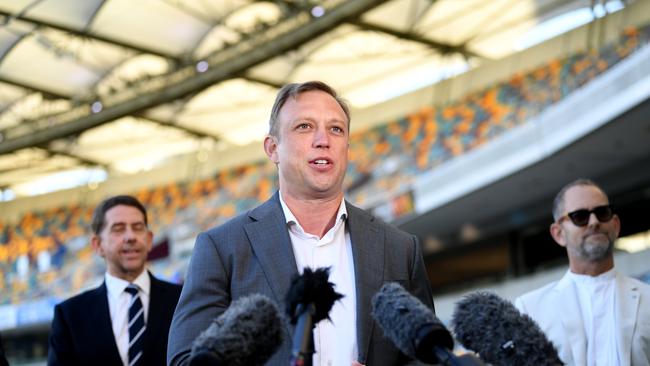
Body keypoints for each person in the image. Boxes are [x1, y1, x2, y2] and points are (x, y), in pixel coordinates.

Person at [168, 81, 434, 366]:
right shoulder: (222, 248)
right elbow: (186, 361)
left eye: (336, 129)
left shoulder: (399, 248)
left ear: (347, 147)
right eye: (304, 127)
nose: (323, 140)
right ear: (272, 148)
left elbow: (426, 358)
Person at [515, 179, 650, 365]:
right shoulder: (530, 309)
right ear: (558, 234)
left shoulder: (647, 298)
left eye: (602, 213)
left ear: (616, 225)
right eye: (580, 216)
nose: (594, 222)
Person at [48, 195, 182, 366]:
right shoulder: (69, 315)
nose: (130, 237)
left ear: (149, 240)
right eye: (118, 229)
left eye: (138, 228)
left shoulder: (182, 299)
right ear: (98, 245)